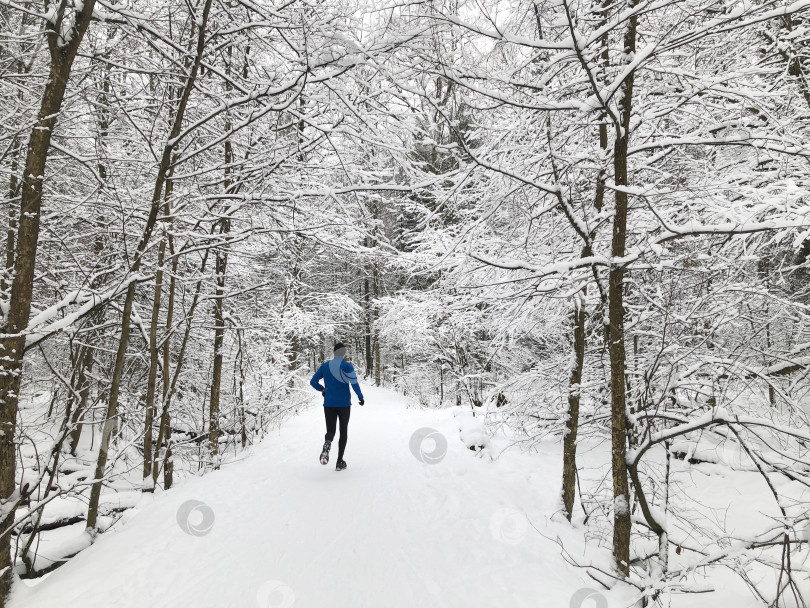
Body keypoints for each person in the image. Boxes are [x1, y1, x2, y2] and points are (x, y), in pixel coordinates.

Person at [309, 342, 365, 471]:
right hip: (344, 404)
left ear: (334, 352)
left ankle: (327, 442)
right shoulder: (347, 366)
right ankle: (339, 462)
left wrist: (322, 389)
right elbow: (354, 383)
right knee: (343, 431)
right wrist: (360, 397)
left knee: (331, 431)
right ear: (343, 353)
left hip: (329, 404)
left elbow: (313, 382)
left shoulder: (325, 366)